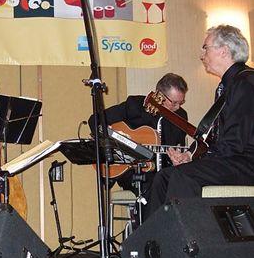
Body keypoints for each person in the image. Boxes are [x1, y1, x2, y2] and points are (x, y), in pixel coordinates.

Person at [145, 24, 254, 219]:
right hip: (233, 160)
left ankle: (182, 244)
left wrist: (200, 160)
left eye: (206, 47)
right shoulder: (228, 86)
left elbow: (233, 142)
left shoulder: (246, 83)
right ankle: (153, 243)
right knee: (163, 177)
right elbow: (214, 137)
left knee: (182, 177)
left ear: (224, 51)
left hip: (246, 163)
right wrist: (190, 156)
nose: (202, 55)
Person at [89, 73, 189, 196]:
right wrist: (115, 138)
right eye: (174, 103)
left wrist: (179, 159)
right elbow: (95, 120)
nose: (178, 107)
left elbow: (179, 148)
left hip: (164, 171)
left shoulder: (181, 117)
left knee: (184, 185)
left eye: (181, 102)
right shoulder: (135, 105)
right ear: (160, 95)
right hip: (133, 170)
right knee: (154, 186)